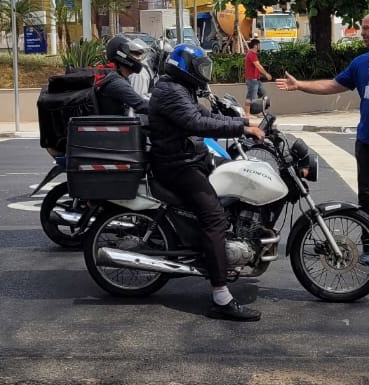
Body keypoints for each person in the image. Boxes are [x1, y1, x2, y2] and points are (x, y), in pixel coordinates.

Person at [276, 12, 369, 272]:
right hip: (367, 142)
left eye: (366, 28)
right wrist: (300, 85)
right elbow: (333, 85)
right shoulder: (361, 63)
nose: (361, 32)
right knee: (366, 198)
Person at [148, 43, 265, 321]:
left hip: (189, 159)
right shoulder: (170, 91)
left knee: (237, 181)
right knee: (214, 218)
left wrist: (247, 120)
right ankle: (221, 296)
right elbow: (195, 123)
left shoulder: (179, 88)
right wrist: (242, 128)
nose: (204, 73)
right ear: (185, 68)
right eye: (200, 68)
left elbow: (205, 115)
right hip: (177, 166)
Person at [97, 35, 150, 115]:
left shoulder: (119, 78)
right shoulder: (117, 83)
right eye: (134, 55)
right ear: (122, 56)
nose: (138, 60)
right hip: (113, 125)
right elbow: (141, 105)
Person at [244, 38, 272, 114]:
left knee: (264, 95)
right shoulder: (251, 54)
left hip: (256, 80)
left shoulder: (253, 54)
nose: (260, 46)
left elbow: (257, 67)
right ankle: (247, 114)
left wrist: (262, 75)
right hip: (252, 80)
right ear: (256, 46)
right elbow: (258, 66)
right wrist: (266, 74)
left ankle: (260, 112)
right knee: (250, 97)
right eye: (259, 45)